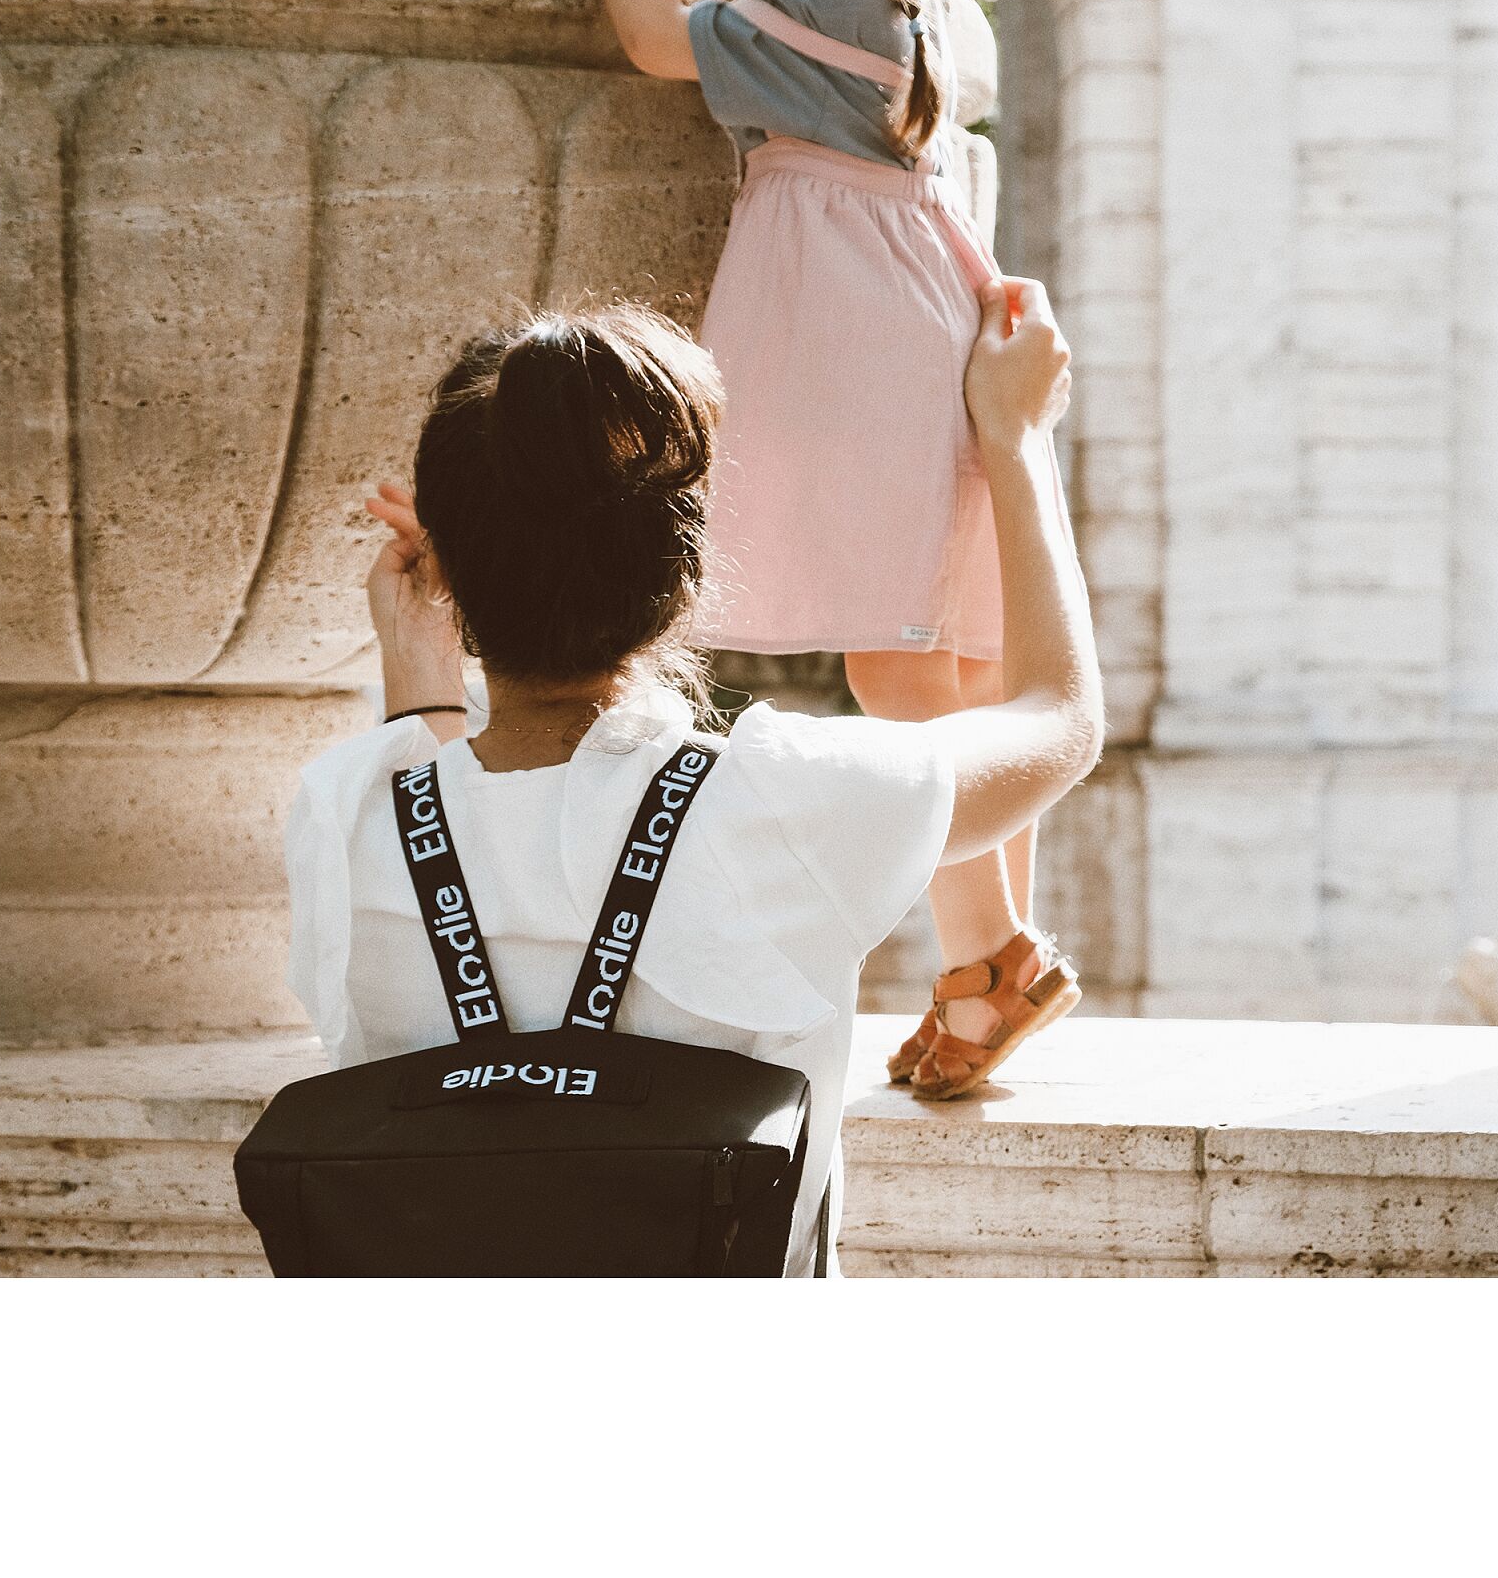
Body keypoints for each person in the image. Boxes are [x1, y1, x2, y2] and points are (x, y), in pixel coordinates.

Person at [517, 0, 1096, 1097]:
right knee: (945, 658)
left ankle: (987, 967)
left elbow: (659, 34)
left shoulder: (798, 3)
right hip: (926, 313)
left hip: (860, 345)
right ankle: (991, 964)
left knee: (899, 663)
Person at [283, 295, 1102, 1278]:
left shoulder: (340, 813)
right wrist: (1016, 441)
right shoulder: (784, 804)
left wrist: (423, 643)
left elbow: (449, 812)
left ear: (452, 570)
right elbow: (1060, 719)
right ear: (690, 562)